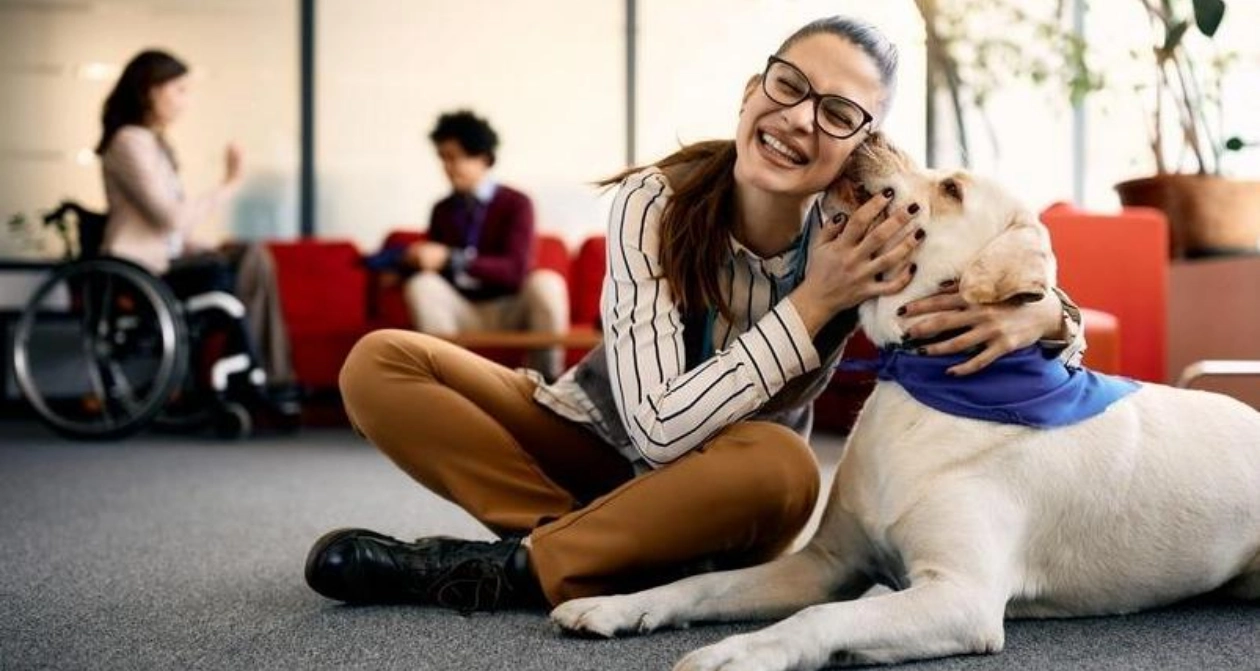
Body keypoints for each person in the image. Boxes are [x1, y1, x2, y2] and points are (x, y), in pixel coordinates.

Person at [304, 16, 1084, 612]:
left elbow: (992, 255)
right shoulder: (656, 199)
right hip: (595, 437)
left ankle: (524, 566)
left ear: (861, 144)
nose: (801, 119)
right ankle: (585, 550)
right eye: (788, 86)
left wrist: (1045, 315)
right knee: (382, 361)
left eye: (839, 112)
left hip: (730, 487)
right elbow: (653, 429)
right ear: (752, 93)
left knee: (783, 467)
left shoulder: (870, 225)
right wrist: (816, 299)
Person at [96, 48, 297, 398]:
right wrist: (230, 183)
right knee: (249, 261)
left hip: (166, 261)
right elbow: (169, 218)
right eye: (179, 90)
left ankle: (262, 374)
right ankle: (260, 376)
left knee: (252, 256)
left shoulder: (154, 145)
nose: (185, 101)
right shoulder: (129, 142)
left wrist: (202, 245)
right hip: (144, 271)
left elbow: (171, 230)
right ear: (150, 90)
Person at [367, 111, 568, 381]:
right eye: (443, 158)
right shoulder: (442, 209)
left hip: (509, 307)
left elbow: (516, 270)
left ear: (483, 157)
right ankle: (448, 383)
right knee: (421, 285)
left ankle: (549, 384)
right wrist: (408, 268)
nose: (447, 167)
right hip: (462, 308)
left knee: (548, 283)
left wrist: (452, 258)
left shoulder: (517, 203)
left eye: (454, 157)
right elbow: (437, 272)